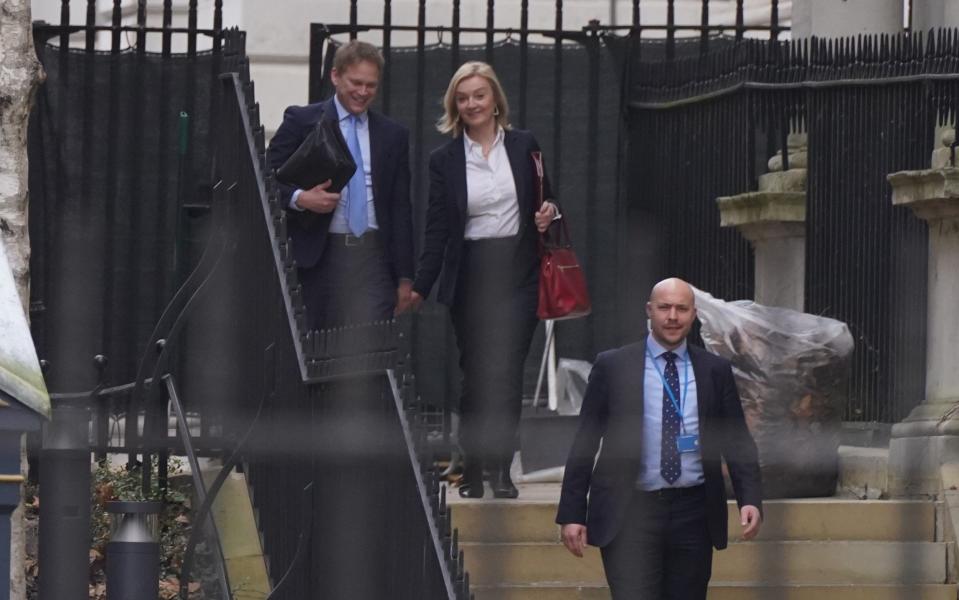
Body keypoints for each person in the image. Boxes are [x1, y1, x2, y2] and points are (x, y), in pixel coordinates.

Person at [556, 278, 763, 600]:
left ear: (694, 315)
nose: (672, 316)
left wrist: (749, 497)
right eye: (664, 307)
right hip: (630, 510)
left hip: (693, 511)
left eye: (682, 309)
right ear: (649, 311)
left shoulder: (714, 370)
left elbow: (735, 439)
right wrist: (571, 512)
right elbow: (585, 439)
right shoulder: (614, 365)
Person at [410, 61, 559, 499]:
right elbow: (438, 226)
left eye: (479, 94)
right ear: (455, 105)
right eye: (463, 97)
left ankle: (501, 468)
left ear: (495, 99)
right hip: (471, 273)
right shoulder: (446, 159)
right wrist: (420, 284)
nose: (472, 103)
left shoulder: (524, 144)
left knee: (507, 372)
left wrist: (548, 212)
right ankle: (472, 465)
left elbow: (548, 195)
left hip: (518, 269)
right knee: (476, 375)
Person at [267, 40, 413, 330]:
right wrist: (300, 198)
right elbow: (264, 175)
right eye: (356, 82)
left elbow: (400, 208)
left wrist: (405, 276)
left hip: (373, 260)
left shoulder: (392, 135)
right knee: (318, 351)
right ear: (335, 76)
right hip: (320, 258)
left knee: (369, 354)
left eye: (371, 85)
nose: (363, 92)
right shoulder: (302, 121)